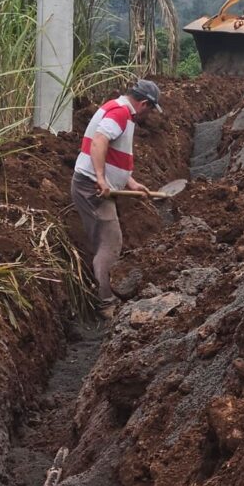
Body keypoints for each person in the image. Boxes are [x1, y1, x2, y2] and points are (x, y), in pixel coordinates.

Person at [71, 80, 162, 318]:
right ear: (143, 104)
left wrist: (130, 181)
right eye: (151, 109)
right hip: (92, 187)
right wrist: (101, 179)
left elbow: (114, 151)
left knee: (106, 242)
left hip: (93, 184)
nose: (150, 114)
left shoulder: (118, 109)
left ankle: (104, 296)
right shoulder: (121, 113)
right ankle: (106, 303)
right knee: (110, 244)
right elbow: (100, 141)